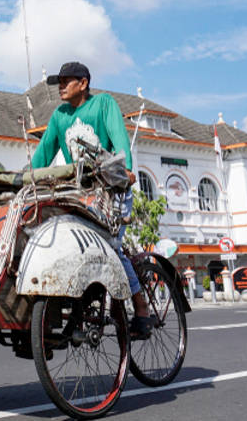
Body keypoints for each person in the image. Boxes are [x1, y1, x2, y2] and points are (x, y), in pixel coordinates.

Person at [29, 61, 154, 338]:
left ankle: (141, 307)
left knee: (111, 247)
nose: (61, 87)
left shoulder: (103, 104)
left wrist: (126, 170)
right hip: (81, 196)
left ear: (83, 83)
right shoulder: (60, 115)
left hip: (112, 190)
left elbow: (120, 142)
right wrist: (26, 180)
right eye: (59, 82)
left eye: (66, 81)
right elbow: (43, 154)